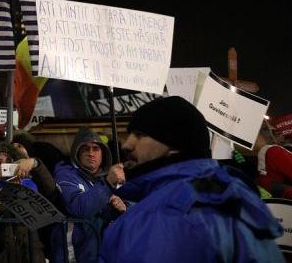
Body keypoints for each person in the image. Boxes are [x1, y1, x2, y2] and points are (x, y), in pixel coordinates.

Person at [100, 96, 283, 262]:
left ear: (175, 144)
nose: (127, 144)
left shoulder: (171, 215)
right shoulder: (228, 198)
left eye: (141, 135)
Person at [51, 129, 126, 263]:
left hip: (99, 250)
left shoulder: (108, 177)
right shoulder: (66, 175)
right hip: (73, 251)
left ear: (103, 154)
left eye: (95, 149)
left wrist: (120, 209)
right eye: (85, 149)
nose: (91, 153)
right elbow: (79, 208)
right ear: (77, 153)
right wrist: (107, 184)